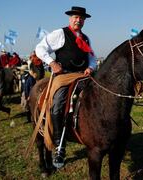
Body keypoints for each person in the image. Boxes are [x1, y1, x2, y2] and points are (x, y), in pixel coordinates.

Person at [35, 6, 97, 168]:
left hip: (83, 76)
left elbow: (92, 57)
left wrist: (90, 67)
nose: (79, 20)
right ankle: (58, 142)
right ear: (70, 18)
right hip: (64, 76)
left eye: (81, 18)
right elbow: (40, 48)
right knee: (58, 101)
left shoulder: (86, 38)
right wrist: (52, 63)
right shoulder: (60, 34)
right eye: (76, 17)